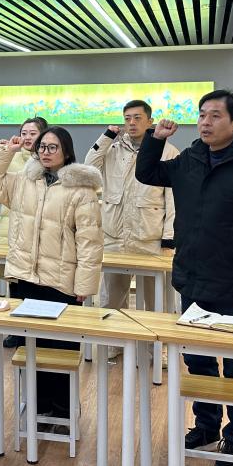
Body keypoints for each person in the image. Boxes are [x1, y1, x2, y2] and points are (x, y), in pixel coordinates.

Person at [136, 88, 233, 466]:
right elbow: (147, 173)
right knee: (197, 358)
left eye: (215, 115)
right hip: (193, 276)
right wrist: (155, 139)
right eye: (202, 115)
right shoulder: (191, 158)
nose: (205, 122)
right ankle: (206, 426)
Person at [0, 125, 103, 426]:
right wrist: (6, 151)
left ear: (66, 152)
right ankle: (38, 407)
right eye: (42, 147)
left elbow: (90, 242)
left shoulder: (81, 190)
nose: (46, 152)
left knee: (60, 349)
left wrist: (84, 285)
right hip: (25, 278)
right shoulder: (25, 181)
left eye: (53, 147)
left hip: (60, 282)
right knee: (31, 348)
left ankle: (63, 410)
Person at [85, 100, 176, 313]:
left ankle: (154, 336)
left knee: (155, 300)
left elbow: (174, 199)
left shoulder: (167, 151)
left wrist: (169, 238)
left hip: (149, 238)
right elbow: (89, 166)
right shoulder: (112, 149)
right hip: (115, 237)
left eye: (137, 118)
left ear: (150, 121)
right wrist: (107, 136)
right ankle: (114, 336)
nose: (132, 123)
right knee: (111, 300)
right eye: (127, 119)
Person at [0, 116, 47, 348]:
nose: (27, 137)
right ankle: (17, 330)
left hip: (40, 229)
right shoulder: (12, 156)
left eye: (33, 133)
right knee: (15, 281)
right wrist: (1, 150)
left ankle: (39, 328)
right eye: (24, 133)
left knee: (39, 280)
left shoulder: (49, 159)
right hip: (12, 226)